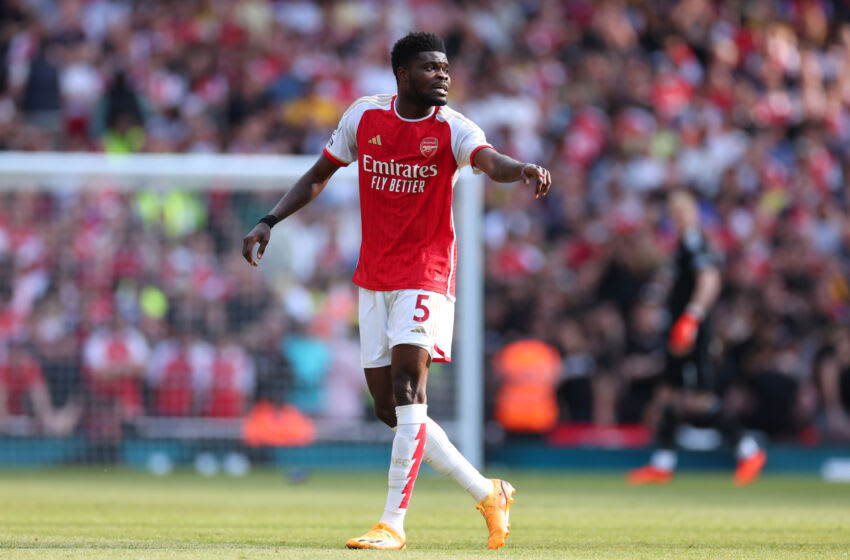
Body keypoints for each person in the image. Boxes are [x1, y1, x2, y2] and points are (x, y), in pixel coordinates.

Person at [242, 32, 551, 550]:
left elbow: (490, 160)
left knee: (411, 391)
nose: (444, 76)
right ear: (403, 74)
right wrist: (269, 220)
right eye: (432, 68)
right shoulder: (364, 118)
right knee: (392, 410)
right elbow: (319, 174)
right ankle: (487, 490)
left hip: (427, 272)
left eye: (447, 68)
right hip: (375, 276)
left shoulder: (453, 128)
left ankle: (392, 524)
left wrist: (520, 169)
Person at [627, 190, 766, 486]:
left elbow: (710, 280)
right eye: (674, 214)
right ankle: (662, 464)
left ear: (692, 215)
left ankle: (749, 449)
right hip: (679, 330)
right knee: (666, 395)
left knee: (699, 401)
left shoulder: (694, 241)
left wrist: (691, 317)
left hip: (691, 332)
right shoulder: (682, 244)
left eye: (682, 213)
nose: (677, 219)